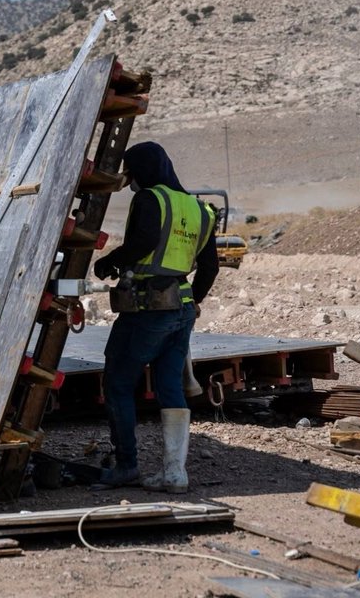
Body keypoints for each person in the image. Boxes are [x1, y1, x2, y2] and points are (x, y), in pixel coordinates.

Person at [91, 142, 219, 492]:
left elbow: (144, 242)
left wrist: (109, 261)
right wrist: (195, 301)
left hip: (148, 309)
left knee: (117, 381)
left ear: (144, 170)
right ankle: (174, 473)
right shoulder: (201, 209)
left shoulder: (150, 199)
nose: (130, 180)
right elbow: (210, 266)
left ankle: (126, 465)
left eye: (131, 172)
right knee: (169, 386)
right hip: (181, 308)